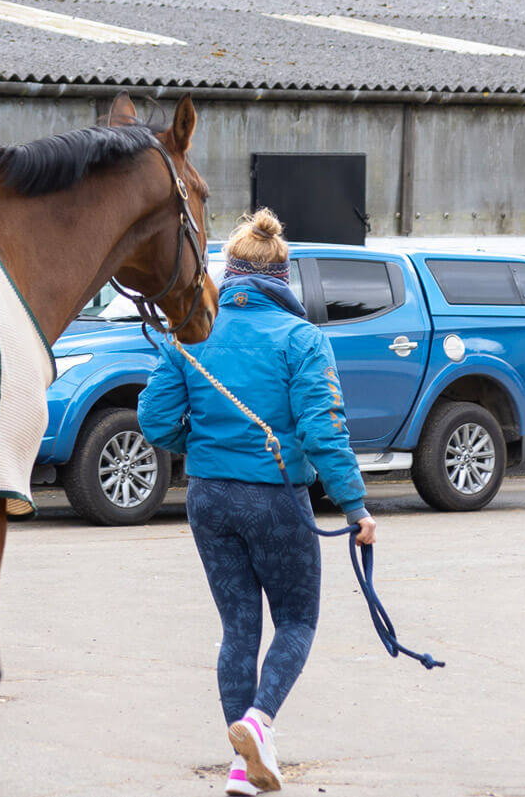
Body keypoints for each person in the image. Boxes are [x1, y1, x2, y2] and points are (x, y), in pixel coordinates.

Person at [138, 208, 373, 796]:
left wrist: (204, 445)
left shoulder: (191, 335)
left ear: (228, 272)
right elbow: (323, 433)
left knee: (238, 627)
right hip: (276, 500)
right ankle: (258, 722)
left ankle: (243, 768)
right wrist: (356, 507)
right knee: (296, 620)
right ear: (283, 275)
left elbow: (154, 419)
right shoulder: (303, 339)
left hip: (208, 497)